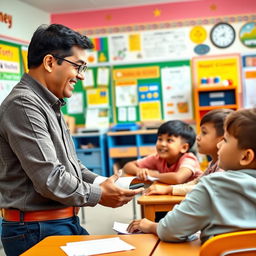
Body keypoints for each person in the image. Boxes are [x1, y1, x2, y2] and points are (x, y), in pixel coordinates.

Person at [0, 24, 143, 256]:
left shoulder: (49, 103)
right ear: (49, 62)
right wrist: (99, 195)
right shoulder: (24, 105)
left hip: (60, 222)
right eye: (78, 66)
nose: (81, 75)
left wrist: (105, 182)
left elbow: (72, 167)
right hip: (36, 228)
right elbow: (50, 178)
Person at [127, 108, 256, 243]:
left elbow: (170, 230)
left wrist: (149, 225)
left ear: (246, 156)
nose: (219, 145)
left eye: (225, 140)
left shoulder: (213, 185)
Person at [145, 109, 233, 196]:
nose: (198, 137)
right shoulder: (214, 164)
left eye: (204, 132)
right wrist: (169, 188)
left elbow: (204, 188)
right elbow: (197, 182)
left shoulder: (224, 167)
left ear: (223, 139)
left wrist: (169, 189)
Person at [123, 120, 202, 185]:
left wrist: (152, 174)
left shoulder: (189, 159)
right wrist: (139, 171)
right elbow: (127, 166)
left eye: (169, 140)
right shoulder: (158, 158)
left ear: (184, 147)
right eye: (160, 139)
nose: (162, 144)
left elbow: (178, 178)